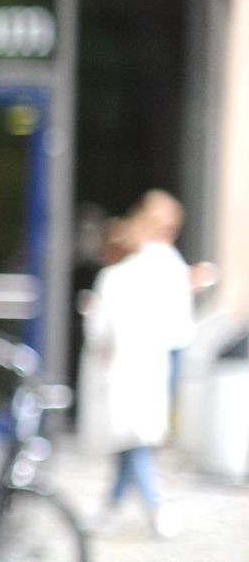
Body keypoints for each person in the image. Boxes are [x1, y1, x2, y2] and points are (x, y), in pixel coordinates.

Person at [78, 191, 198, 539]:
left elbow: (100, 332)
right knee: (134, 439)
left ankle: (155, 506)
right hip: (153, 365)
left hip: (129, 370)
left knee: (134, 440)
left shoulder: (119, 278)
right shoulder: (167, 267)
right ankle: (113, 507)